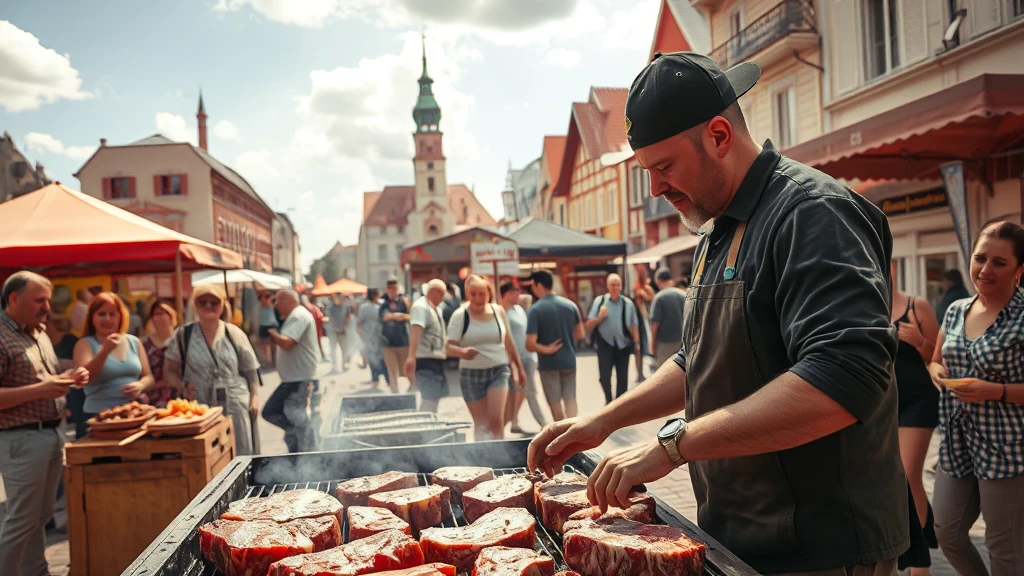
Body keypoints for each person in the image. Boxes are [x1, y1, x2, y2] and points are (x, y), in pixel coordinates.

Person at [528, 52, 908, 575]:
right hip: (740, 533)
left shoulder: (813, 213)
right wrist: (604, 420)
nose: (657, 190)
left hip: (822, 546)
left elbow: (843, 379)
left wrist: (671, 446)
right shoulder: (718, 228)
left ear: (720, 136)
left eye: (664, 167)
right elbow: (698, 359)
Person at [927, 221, 1024, 575]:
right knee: (946, 532)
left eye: (1000, 262)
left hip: (1007, 446)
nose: (985, 270)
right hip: (956, 442)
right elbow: (937, 361)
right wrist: (937, 373)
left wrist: (994, 391)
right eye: (980, 258)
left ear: (1020, 269)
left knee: (1004, 549)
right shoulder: (956, 310)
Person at [0, 272, 89, 576]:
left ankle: (37, 572)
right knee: (22, 519)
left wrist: (71, 374)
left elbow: (46, 376)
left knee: (40, 517)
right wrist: (42, 389)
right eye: (39, 300)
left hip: (51, 433)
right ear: (14, 298)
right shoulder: (1, 334)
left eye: (48, 300)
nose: (47, 307)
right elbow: (38, 386)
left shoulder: (36, 332)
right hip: (21, 439)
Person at [165, 285, 261, 455]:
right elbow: (169, 371)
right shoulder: (183, 335)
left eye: (214, 302)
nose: (208, 306)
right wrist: (182, 386)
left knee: (241, 453)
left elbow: (251, 370)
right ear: (195, 305)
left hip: (235, 405)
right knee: (209, 457)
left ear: (223, 304)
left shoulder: (234, 333)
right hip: (200, 407)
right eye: (203, 302)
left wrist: (254, 397)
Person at [446, 275, 525, 440]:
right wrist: (461, 353)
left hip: (499, 369)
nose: (477, 298)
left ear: (489, 293)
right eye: (473, 294)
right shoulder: (460, 315)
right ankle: (482, 459)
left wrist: (519, 367)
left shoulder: (499, 311)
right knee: (481, 424)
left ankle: (500, 459)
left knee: (496, 419)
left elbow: (509, 341)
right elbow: (447, 347)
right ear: (467, 294)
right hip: (471, 374)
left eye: (481, 294)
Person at [72, 292, 154, 439]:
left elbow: (149, 377)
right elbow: (85, 378)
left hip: (132, 415)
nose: (108, 319)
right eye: (101, 314)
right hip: (97, 418)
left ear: (121, 316)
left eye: (112, 314)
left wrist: (140, 385)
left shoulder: (133, 342)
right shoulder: (84, 344)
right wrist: (105, 350)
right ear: (92, 318)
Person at [263, 290, 320, 453]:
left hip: (299, 379)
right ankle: (299, 440)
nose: (276, 305)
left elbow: (287, 343)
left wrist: (273, 333)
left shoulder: (298, 315)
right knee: (288, 415)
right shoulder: (295, 316)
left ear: (289, 300)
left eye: (278, 300)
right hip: (294, 379)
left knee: (273, 411)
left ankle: (307, 445)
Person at [526, 270, 584, 422]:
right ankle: (574, 430)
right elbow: (580, 334)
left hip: (548, 363)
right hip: (569, 360)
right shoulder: (570, 305)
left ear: (538, 285)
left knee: (554, 401)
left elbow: (530, 344)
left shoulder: (536, 309)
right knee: (570, 398)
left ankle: (561, 433)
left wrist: (547, 349)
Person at [501, 281, 548, 433]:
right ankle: (544, 425)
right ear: (507, 294)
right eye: (516, 292)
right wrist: (512, 360)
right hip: (517, 359)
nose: (519, 295)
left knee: (522, 392)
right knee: (528, 391)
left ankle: (513, 423)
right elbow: (505, 339)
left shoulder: (519, 309)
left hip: (529, 357)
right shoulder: (502, 312)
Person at [586, 273, 640, 404]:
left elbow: (634, 325)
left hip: (623, 344)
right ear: (607, 286)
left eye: (617, 285)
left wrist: (637, 343)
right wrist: (599, 317)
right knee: (604, 376)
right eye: (612, 285)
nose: (615, 287)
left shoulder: (628, 303)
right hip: (605, 344)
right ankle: (608, 401)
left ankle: (618, 405)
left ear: (621, 286)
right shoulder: (600, 301)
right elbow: (588, 325)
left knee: (623, 377)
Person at [404, 279, 449, 413]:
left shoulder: (436, 309)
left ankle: (431, 423)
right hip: (425, 359)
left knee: (434, 398)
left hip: (436, 359)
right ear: (434, 292)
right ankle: (423, 427)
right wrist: (411, 357)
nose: (442, 298)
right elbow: (416, 330)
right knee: (429, 398)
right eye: (441, 294)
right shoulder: (421, 306)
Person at [648, 267, 687, 367]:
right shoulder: (684, 295)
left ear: (658, 280)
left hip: (665, 344)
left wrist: (652, 345)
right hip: (683, 342)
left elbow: (655, 324)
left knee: (665, 374)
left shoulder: (659, 297)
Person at [142, 301, 179, 407]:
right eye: (156, 314)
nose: (159, 317)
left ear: (171, 316)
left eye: (163, 313)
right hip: (153, 396)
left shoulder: (179, 340)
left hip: (177, 392)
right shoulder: (145, 344)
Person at [379, 278, 411, 394]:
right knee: (392, 372)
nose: (392, 291)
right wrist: (399, 316)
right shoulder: (382, 302)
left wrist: (399, 316)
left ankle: (412, 389)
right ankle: (395, 394)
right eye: (390, 288)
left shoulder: (404, 301)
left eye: (394, 288)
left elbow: (410, 317)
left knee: (406, 370)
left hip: (403, 341)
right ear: (387, 290)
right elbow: (384, 317)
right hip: (387, 343)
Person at [357, 289, 388, 388]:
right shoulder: (366, 307)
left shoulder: (379, 305)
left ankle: (379, 381)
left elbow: (358, 325)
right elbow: (359, 324)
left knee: (378, 360)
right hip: (373, 338)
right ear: (375, 295)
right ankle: (382, 381)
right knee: (376, 360)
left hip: (377, 338)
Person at [632, 267, 655, 382]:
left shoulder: (645, 289)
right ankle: (639, 373)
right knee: (639, 349)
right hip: (641, 321)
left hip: (647, 319)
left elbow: (652, 299)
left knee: (642, 348)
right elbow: (640, 304)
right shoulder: (639, 289)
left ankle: (641, 373)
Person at [326, 294, 351, 374]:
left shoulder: (346, 306)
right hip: (333, 331)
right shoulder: (330, 308)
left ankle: (344, 364)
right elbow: (330, 318)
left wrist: (344, 326)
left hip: (343, 331)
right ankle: (334, 366)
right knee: (333, 349)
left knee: (344, 348)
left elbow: (348, 317)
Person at [257, 291, 277, 367]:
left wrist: (268, 297)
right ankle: (267, 360)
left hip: (271, 325)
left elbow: (269, 303)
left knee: (272, 344)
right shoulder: (260, 307)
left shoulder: (271, 306)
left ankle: (272, 360)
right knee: (265, 345)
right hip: (263, 326)